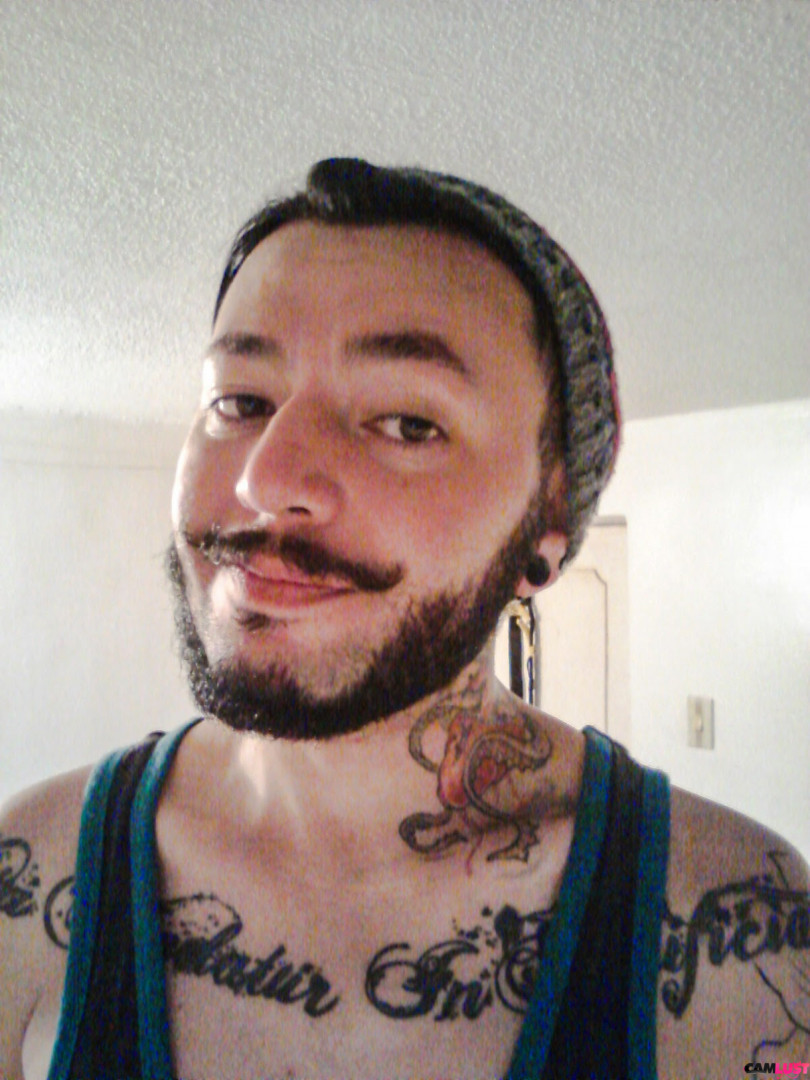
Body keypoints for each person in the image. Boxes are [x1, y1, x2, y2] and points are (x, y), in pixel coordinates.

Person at [1, 158, 808, 1080]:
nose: (266, 480)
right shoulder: (27, 879)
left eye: (406, 424)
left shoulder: (746, 938)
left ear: (547, 522)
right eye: (239, 401)